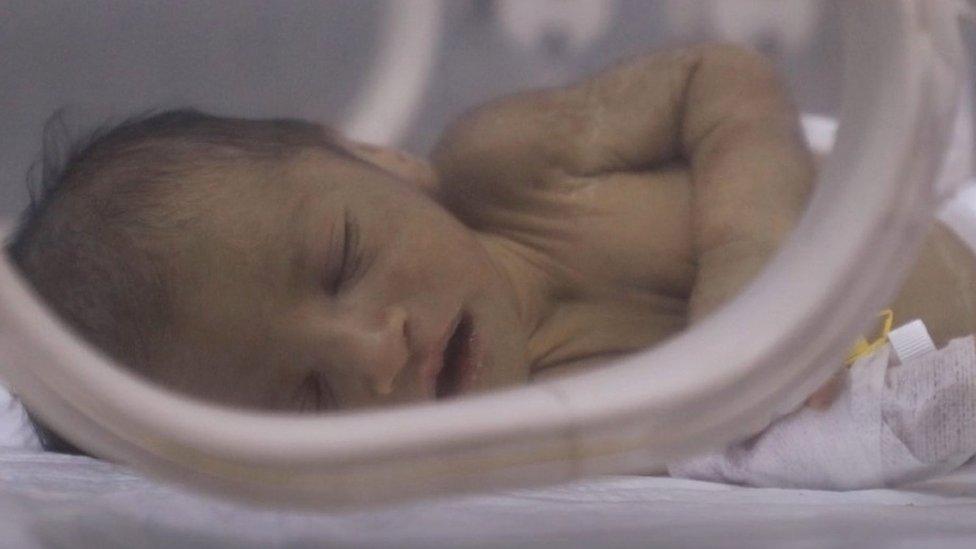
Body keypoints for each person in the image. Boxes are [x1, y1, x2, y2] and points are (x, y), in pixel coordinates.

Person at [7, 45, 976, 426]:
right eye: (305, 402)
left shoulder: (512, 169)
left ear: (380, 162)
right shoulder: (506, 458)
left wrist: (748, 260)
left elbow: (718, 80)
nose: (370, 353)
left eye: (343, 257)